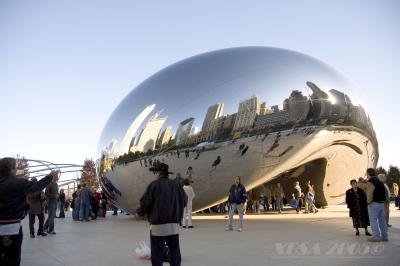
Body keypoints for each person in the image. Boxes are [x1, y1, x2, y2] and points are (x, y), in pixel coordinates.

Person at [0, 157, 59, 266]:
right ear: (12, 169)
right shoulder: (19, 183)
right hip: (13, 228)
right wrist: (50, 176)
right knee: (13, 258)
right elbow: (37, 186)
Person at [136, 163, 187, 266]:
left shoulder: (153, 185)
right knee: (174, 251)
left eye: (155, 172)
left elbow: (146, 202)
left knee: (157, 252)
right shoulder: (177, 185)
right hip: (173, 225)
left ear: (158, 173)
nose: (154, 174)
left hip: (157, 226)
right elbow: (184, 201)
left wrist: (139, 212)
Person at [366, 168, 388, 242]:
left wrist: (368, 202)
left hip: (374, 203)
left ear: (368, 173)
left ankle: (376, 237)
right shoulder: (380, 181)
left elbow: (369, 193)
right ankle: (385, 236)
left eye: (367, 174)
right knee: (382, 220)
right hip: (381, 203)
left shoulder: (370, 181)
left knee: (373, 220)